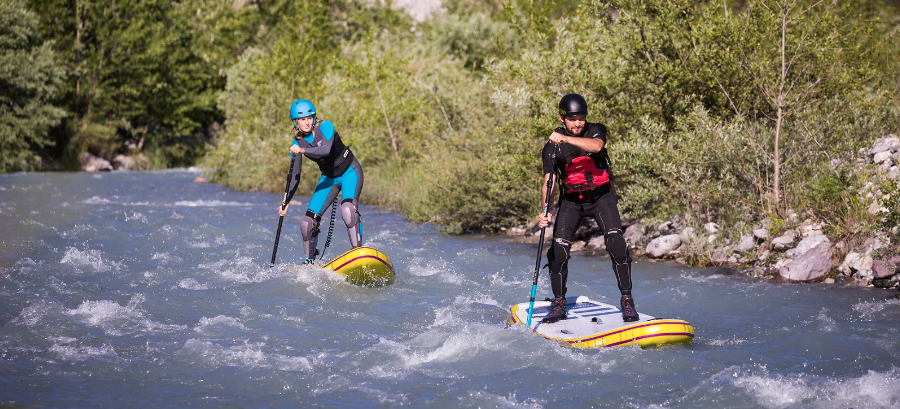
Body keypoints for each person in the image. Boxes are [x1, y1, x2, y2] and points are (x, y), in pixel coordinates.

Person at [536, 93, 638, 323]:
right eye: (572, 119)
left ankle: (627, 300)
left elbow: (597, 146)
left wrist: (567, 139)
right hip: (572, 201)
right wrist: (545, 211)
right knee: (558, 252)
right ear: (562, 118)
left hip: (602, 198)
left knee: (616, 244)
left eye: (581, 118)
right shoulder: (551, 148)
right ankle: (559, 302)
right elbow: (548, 182)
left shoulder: (595, 130)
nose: (577, 123)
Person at [278, 99, 364, 264]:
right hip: (329, 178)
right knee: (307, 223)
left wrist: (302, 150)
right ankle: (309, 263)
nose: (307, 122)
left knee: (348, 209)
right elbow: (295, 175)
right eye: (302, 119)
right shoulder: (296, 143)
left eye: (309, 117)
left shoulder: (325, 127)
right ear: (295, 122)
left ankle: (358, 253)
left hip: (349, 172)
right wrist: (286, 201)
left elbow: (325, 149)